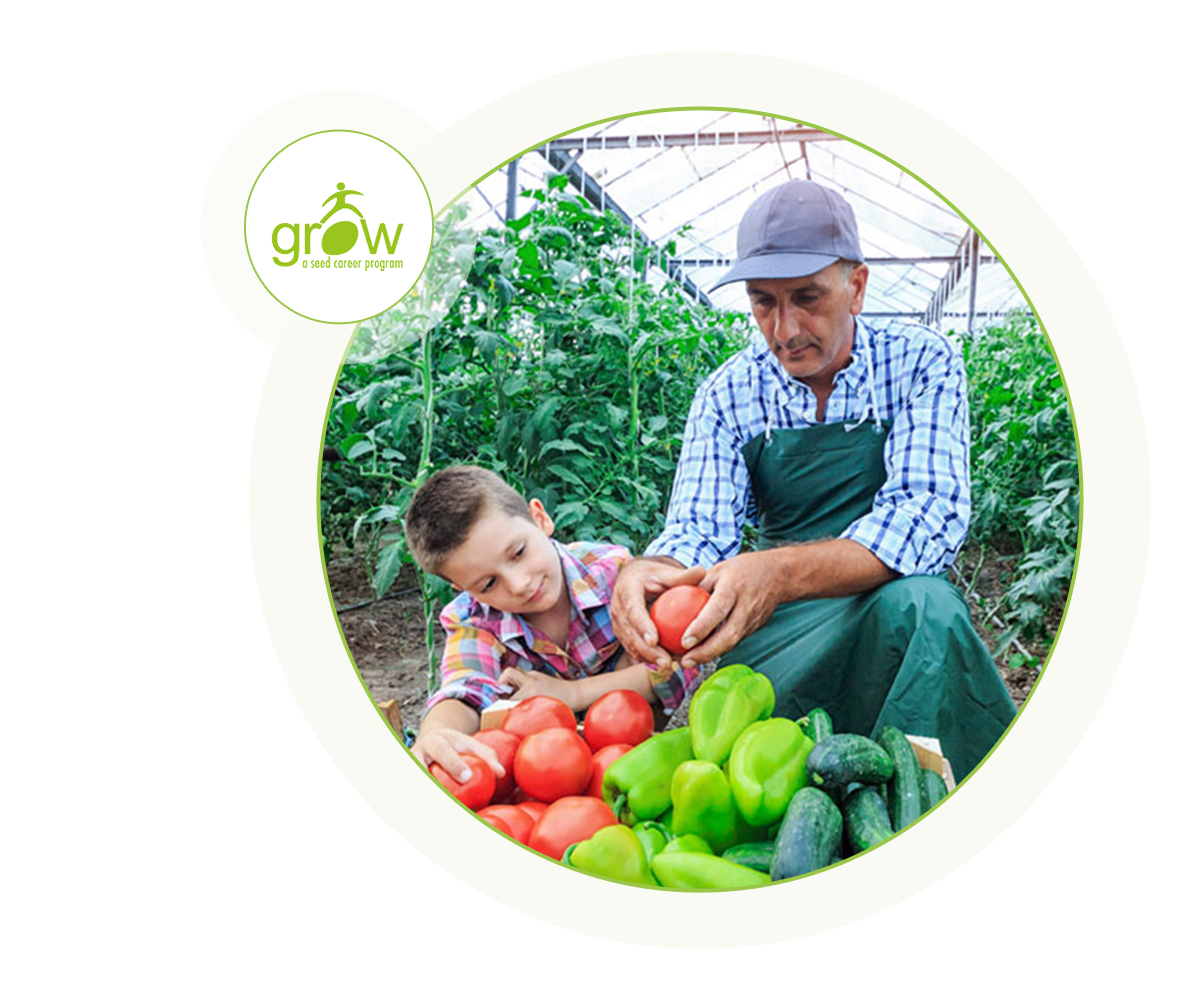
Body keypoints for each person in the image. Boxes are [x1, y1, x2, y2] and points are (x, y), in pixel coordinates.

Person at [609, 179, 1064, 890]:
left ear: (856, 285)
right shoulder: (729, 392)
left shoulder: (920, 362)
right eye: (763, 301)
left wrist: (778, 572)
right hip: (781, 622)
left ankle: (933, 850)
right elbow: (699, 527)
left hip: (879, 598)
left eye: (807, 297)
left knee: (926, 606)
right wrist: (654, 571)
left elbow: (928, 517)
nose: (785, 327)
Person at [405, 465, 695, 784]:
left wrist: (573, 693)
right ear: (463, 588)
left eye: (518, 553)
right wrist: (438, 734)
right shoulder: (474, 620)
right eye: (488, 584)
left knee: (646, 645)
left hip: (633, 754)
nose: (518, 584)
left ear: (540, 519)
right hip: (545, 772)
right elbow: (465, 687)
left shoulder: (613, 574)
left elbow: (676, 666)